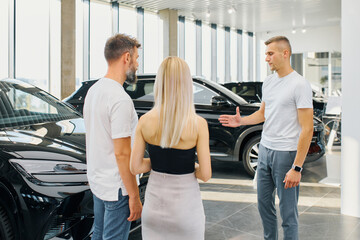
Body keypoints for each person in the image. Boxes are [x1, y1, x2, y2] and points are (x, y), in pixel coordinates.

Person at [219, 36, 313, 240]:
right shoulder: (269, 82)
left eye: (270, 54)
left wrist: (297, 167)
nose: (266, 59)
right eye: (266, 54)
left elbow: (307, 129)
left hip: (286, 155)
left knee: (288, 214)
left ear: (285, 53)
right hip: (264, 151)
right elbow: (263, 113)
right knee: (264, 207)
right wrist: (241, 121)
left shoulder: (300, 84)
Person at [130, 56, 212, 240]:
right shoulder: (198, 124)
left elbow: (135, 167)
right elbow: (205, 174)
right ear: (186, 84)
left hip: (154, 209)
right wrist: (190, 165)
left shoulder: (145, 121)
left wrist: (159, 161)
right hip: (186, 211)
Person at [83, 34, 142, 240]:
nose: (137, 64)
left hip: (98, 182)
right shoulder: (120, 99)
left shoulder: (93, 91)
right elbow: (122, 154)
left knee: (98, 234)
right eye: (136, 58)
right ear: (126, 57)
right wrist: (134, 196)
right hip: (117, 188)